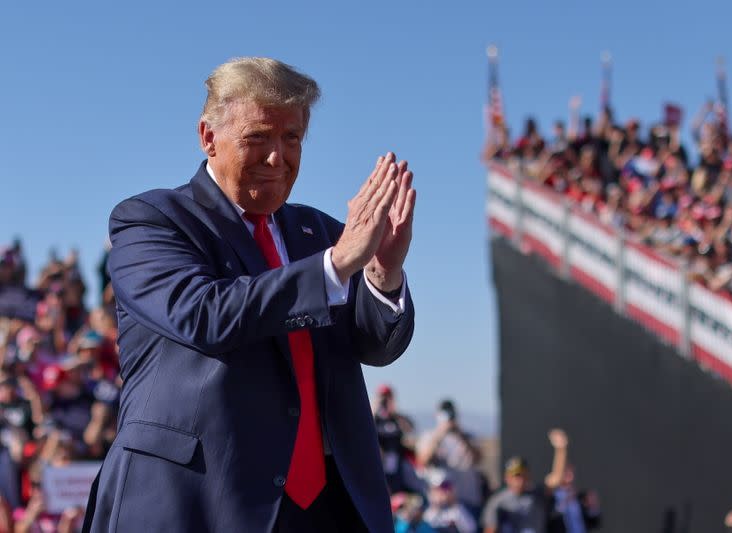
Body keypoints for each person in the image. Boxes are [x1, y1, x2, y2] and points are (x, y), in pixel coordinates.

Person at [83, 57, 417, 533]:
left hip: (327, 506)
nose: (277, 157)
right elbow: (203, 315)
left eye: (292, 138)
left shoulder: (319, 232)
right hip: (198, 500)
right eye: (257, 137)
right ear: (208, 137)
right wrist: (339, 264)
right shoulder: (151, 220)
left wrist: (385, 272)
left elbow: (376, 346)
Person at [481, 429, 570, 533]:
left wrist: (561, 449)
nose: (520, 479)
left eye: (523, 475)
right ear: (507, 478)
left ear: (528, 476)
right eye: (516, 475)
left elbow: (556, 478)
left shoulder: (537, 494)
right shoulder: (497, 502)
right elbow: (489, 529)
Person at [417, 399, 485, 519]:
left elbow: (478, 459)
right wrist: (440, 436)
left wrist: (461, 436)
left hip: (467, 500)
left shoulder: (468, 436)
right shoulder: (429, 437)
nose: (449, 419)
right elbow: (423, 461)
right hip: (439, 503)